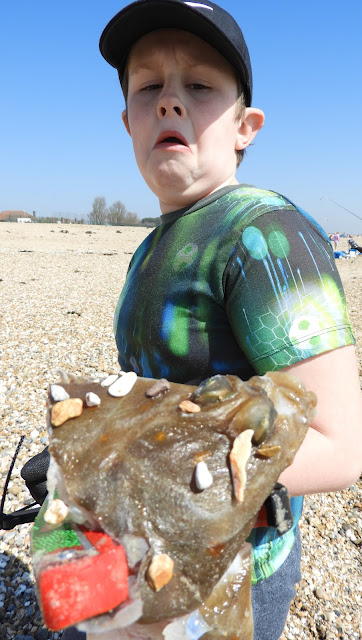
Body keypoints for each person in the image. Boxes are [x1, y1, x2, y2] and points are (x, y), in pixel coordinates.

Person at [64, 1, 362, 638]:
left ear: (245, 126)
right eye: (149, 87)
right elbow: (156, 401)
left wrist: (145, 467)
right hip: (152, 551)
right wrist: (85, 457)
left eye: (199, 86)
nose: (170, 101)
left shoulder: (263, 234)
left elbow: (341, 445)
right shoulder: (154, 244)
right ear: (127, 121)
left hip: (233, 573)